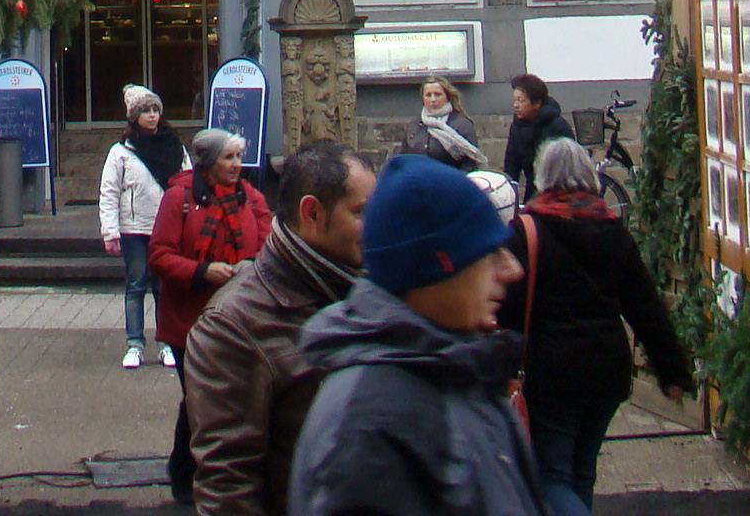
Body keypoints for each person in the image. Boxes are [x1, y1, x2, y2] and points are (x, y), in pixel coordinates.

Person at [287, 154, 538, 516]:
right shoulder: (370, 428)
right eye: (488, 252)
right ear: (436, 266)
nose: (512, 270)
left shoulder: (460, 369)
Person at [181, 140, 375, 516]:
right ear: (312, 213)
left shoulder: (366, 289)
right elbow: (227, 489)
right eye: (362, 212)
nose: (376, 226)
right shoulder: (232, 326)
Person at [514, 139, 694, 516]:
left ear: (543, 176)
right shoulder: (613, 230)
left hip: (552, 372)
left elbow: (509, 306)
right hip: (607, 370)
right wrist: (672, 370)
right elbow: (645, 307)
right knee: (582, 471)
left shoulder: (527, 230)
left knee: (551, 477)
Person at [149, 128, 272, 504]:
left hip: (239, 318)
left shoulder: (249, 196)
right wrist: (202, 272)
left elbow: (268, 242)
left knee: (233, 398)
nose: (236, 165)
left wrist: (250, 267)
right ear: (208, 162)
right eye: (228, 158)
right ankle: (184, 474)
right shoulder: (179, 198)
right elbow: (160, 255)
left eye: (238, 157)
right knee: (198, 399)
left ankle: (226, 469)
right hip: (189, 321)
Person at [98, 83, 184, 368]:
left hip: (166, 228)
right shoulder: (121, 152)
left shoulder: (174, 146)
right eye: (146, 111)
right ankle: (134, 343)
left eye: (155, 109)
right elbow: (109, 192)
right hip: (134, 230)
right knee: (136, 286)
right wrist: (110, 232)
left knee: (164, 289)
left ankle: (166, 343)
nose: (152, 115)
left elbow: (188, 182)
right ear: (134, 117)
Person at [501, 73, 572, 195]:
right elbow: (511, 164)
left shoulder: (558, 127)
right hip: (532, 192)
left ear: (537, 103)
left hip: (558, 193)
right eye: (515, 100)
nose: (516, 105)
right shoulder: (517, 126)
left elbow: (567, 168)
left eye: (521, 101)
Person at [398, 74, 485, 167]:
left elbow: (469, 164)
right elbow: (403, 159)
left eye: (437, 94)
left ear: (447, 96)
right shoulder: (414, 125)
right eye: (428, 95)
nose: (433, 99)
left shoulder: (462, 125)